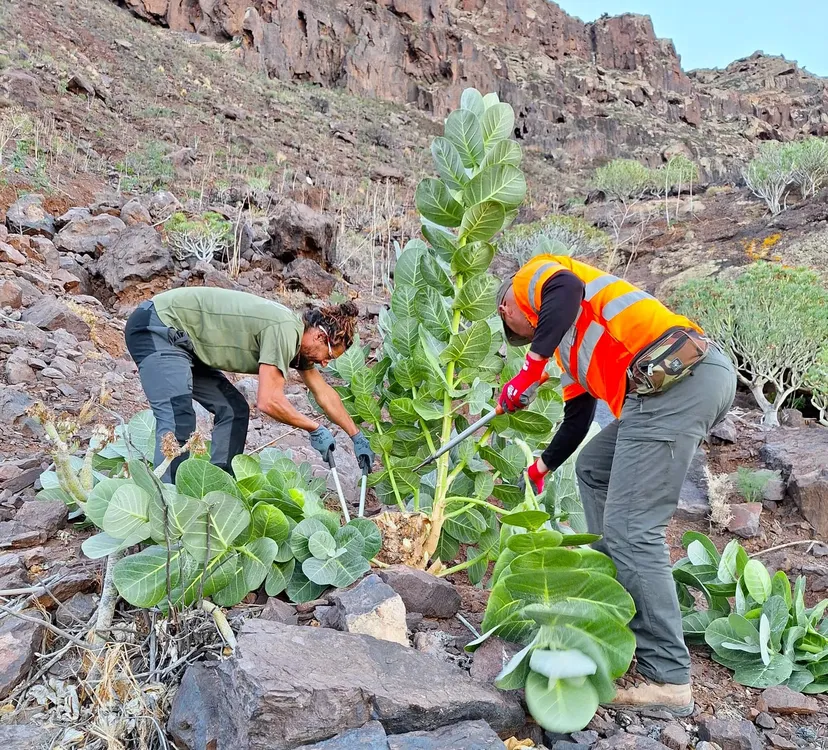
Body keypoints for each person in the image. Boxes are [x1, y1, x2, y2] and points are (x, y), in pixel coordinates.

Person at [496, 252, 736, 716]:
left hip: (676, 376)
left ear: (508, 308)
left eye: (508, 320)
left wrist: (528, 370)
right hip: (673, 381)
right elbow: (577, 418)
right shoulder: (570, 348)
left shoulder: (535, 279)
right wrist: (540, 469)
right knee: (593, 467)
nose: (511, 322)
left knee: (632, 527)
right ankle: (621, 595)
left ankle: (667, 678)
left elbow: (564, 289)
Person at [124, 287, 375, 481]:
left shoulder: (300, 347)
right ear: (320, 336)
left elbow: (324, 393)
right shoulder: (286, 330)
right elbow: (268, 401)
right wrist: (314, 428)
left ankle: (216, 486)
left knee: (234, 409)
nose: (324, 364)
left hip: (186, 346)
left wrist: (356, 436)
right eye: (328, 355)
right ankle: (166, 508)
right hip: (157, 326)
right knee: (178, 418)